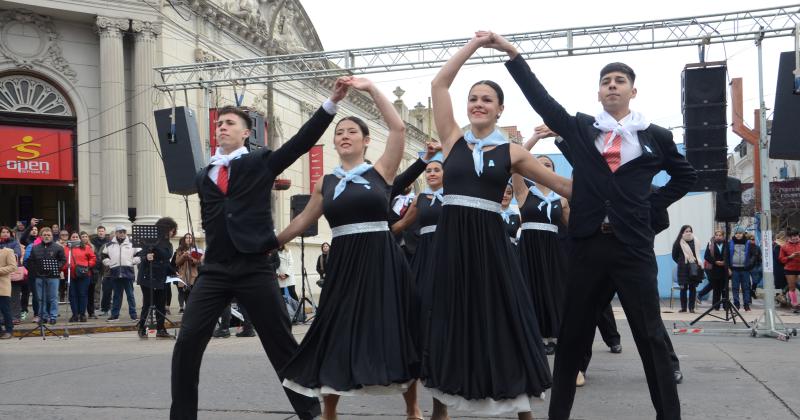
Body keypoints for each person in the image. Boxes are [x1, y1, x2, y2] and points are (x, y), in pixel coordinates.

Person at [494, 31, 696, 420]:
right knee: (572, 336)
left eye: (620, 81)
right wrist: (514, 56)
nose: (612, 86)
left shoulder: (655, 136)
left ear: (633, 91)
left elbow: (685, 176)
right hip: (586, 245)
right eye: (606, 82)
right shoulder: (582, 129)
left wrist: (649, 204)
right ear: (599, 93)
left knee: (650, 335)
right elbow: (545, 104)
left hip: (632, 248)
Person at [170, 80, 348, 420]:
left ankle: (311, 413)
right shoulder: (204, 174)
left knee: (281, 347)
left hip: (254, 268)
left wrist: (331, 103)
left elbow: (300, 143)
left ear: (245, 134)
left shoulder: (260, 162)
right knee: (187, 342)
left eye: (230, 124)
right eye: (219, 124)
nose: (222, 127)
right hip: (216, 271)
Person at [421, 33, 572, 420]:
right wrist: (474, 47)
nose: (478, 104)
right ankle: (441, 408)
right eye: (473, 98)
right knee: (447, 318)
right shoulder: (452, 139)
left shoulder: (513, 151)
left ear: (500, 109)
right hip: (451, 243)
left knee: (504, 317)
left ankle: (521, 409)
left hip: (489, 242)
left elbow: (563, 186)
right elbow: (439, 84)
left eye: (487, 99)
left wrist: (610, 181)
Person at [277, 76, 421, 420]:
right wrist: (269, 242)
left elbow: (399, 129)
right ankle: (330, 411)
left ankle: (413, 407)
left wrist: (370, 90)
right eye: (339, 132)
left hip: (382, 258)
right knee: (334, 328)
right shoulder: (325, 183)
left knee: (396, 326)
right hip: (343, 262)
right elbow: (301, 222)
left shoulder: (381, 171)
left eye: (351, 132)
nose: (344, 136)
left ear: (366, 141)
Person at [136, 217, 178, 338]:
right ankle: (142, 327)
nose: (172, 232)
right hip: (147, 275)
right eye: (170, 230)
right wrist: (146, 256)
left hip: (161, 277)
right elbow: (141, 254)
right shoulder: (150, 241)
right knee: (148, 303)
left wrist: (174, 272)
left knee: (161, 304)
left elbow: (166, 258)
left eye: (173, 230)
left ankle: (161, 329)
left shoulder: (168, 244)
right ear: (165, 229)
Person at [24, 227, 66, 325]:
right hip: (39, 276)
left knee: (53, 297)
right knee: (40, 298)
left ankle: (53, 316)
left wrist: (56, 267)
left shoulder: (58, 247)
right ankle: (43, 316)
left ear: (52, 236)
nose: (47, 237)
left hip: (53, 276)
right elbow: (30, 261)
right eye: (45, 235)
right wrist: (34, 271)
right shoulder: (35, 247)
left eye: (49, 235)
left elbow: (63, 260)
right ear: (41, 236)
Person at [102, 226, 140, 321]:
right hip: (115, 272)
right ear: (116, 233)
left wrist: (133, 261)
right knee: (116, 296)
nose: (122, 233)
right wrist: (109, 263)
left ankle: (133, 315)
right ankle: (115, 315)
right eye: (120, 232)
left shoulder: (132, 243)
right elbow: (103, 256)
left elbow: (140, 254)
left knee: (130, 295)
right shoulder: (109, 245)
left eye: (124, 231)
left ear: (126, 233)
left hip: (128, 272)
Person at [672, 225, 703, 313]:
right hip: (683, 268)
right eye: (686, 231)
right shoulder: (678, 242)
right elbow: (674, 256)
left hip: (693, 267)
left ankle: (691, 308)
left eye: (690, 231)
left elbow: (697, 254)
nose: (688, 233)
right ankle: (683, 308)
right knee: (683, 288)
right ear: (682, 232)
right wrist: (681, 262)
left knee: (692, 288)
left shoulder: (695, 241)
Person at [67, 231, 96, 322]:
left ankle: (82, 314)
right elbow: (63, 259)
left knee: (83, 294)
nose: (75, 238)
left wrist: (88, 266)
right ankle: (75, 314)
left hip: (84, 275)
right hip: (71, 275)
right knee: (72, 295)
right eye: (73, 237)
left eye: (76, 237)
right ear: (70, 238)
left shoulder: (86, 247)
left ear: (79, 238)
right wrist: (65, 268)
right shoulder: (66, 248)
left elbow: (93, 258)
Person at [727, 226, 756, 311]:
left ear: (743, 234)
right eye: (736, 233)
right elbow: (727, 256)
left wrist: (749, 264)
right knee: (735, 288)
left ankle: (746, 304)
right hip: (734, 269)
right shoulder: (730, 243)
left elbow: (753, 255)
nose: (738, 235)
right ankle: (736, 304)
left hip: (745, 269)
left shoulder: (748, 243)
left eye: (740, 233)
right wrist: (728, 267)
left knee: (746, 288)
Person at [172, 233, 202, 313]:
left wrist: (191, 258)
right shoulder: (179, 250)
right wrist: (183, 256)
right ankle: (183, 308)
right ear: (184, 240)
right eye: (187, 238)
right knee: (183, 292)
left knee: (192, 292)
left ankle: (191, 309)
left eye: (190, 238)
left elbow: (198, 262)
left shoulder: (196, 249)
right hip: (183, 274)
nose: (189, 239)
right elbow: (177, 262)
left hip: (193, 274)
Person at [703, 230, 729, 310]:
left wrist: (725, 262)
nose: (718, 236)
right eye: (716, 235)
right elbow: (706, 256)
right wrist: (715, 262)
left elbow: (730, 255)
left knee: (724, 288)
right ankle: (716, 306)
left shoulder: (727, 244)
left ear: (723, 236)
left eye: (720, 235)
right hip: (714, 269)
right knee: (716, 289)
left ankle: (726, 306)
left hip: (724, 269)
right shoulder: (711, 244)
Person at [779, 227, 800, 311]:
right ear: (789, 237)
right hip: (790, 269)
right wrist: (790, 257)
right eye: (793, 236)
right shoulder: (784, 246)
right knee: (792, 287)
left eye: (796, 235)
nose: (795, 237)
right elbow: (781, 259)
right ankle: (794, 305)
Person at [0, 245, 17, 339]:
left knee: (5, 310)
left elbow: (13, 267)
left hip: (2, 285)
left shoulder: (8, 251)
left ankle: (9, 331)